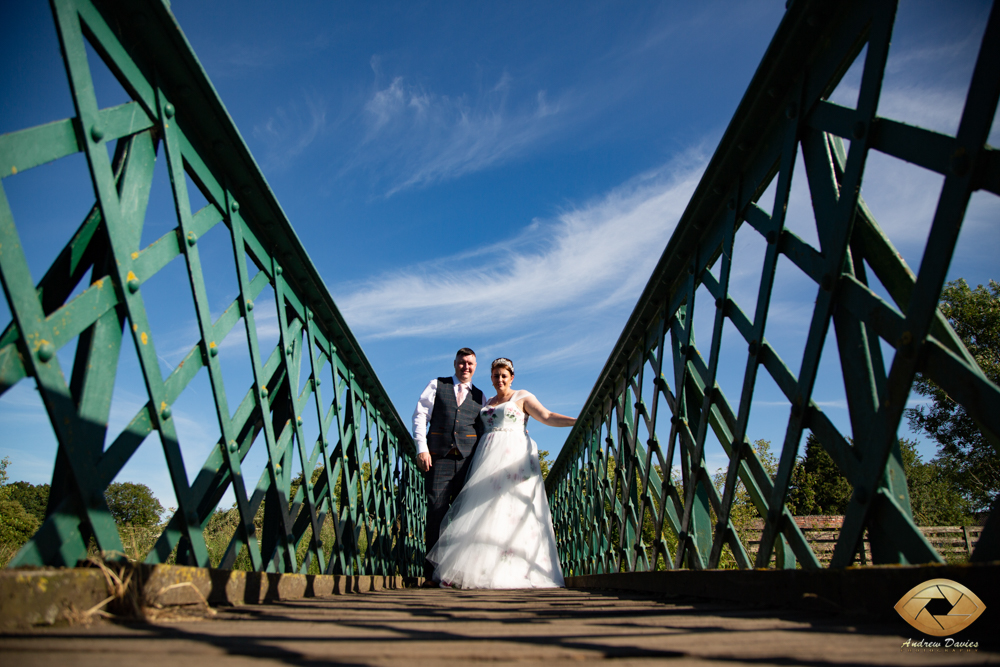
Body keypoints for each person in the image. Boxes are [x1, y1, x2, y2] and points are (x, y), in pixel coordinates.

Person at [426, 357, 576, 589]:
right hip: (486, 458)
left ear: (511, 377)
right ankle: (479, 569)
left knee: (514, 510)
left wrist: (575, 421)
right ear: (492, 378)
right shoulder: (488, 400)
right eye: (495, 376)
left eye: (504, 375)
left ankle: (517, 569)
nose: (499, 380)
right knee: (484, 512)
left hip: (515, 459)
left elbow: (546, 416)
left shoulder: (523, 396)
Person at [411, 347, 486, 583]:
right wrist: (421, 448)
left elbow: (486, 427)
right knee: (436, 514)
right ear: (455, 364)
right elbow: (420, 415)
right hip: (438, 458)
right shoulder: (436, 385)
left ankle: (459, 574)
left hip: (468, 462)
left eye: (470, 364)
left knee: (466, 518)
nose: (466, 367)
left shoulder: (480, 396)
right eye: (462, 362)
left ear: (475, 367)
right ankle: (432, 573)